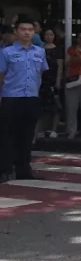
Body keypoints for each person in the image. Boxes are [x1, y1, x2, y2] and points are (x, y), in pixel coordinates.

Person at [0, 17, 49, 182]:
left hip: (31, 97)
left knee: (27, 135)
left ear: (34, 32)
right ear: (16, 32)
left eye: (30, 29)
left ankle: (24, 169)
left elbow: (40, 73)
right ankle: (5, 169)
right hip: (11, 98)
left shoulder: (39, 52)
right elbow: (1, 76)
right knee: (7, 135)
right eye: (23, 29)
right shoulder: (6, 52)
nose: (27, 33)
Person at [37, 27, 63, 140]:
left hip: (53, 79)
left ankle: (54, 130)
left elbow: (60, 66)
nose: (49, 36)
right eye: (47, 34)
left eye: (51, 34)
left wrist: (58, 79)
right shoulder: (39, 49)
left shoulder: (58, 49)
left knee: (55, 106)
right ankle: (41, 130)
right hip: (42, 81)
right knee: (41, 107)